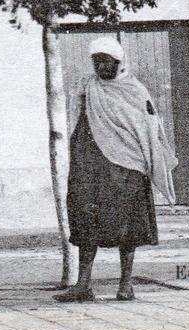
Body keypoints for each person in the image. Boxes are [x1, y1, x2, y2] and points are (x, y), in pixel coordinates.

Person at [55, 36, 176, 303]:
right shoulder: (89, 88)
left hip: (127, 168)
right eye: (96, 61)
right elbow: (82, 122)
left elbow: (150, 127)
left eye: (106, 61)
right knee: (87, 223)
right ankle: (83, 285)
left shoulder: (135, 90)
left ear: (118, 62)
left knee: (128, 227)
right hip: (92, 167)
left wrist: (144, 159)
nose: (101, 66)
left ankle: (126, 284)